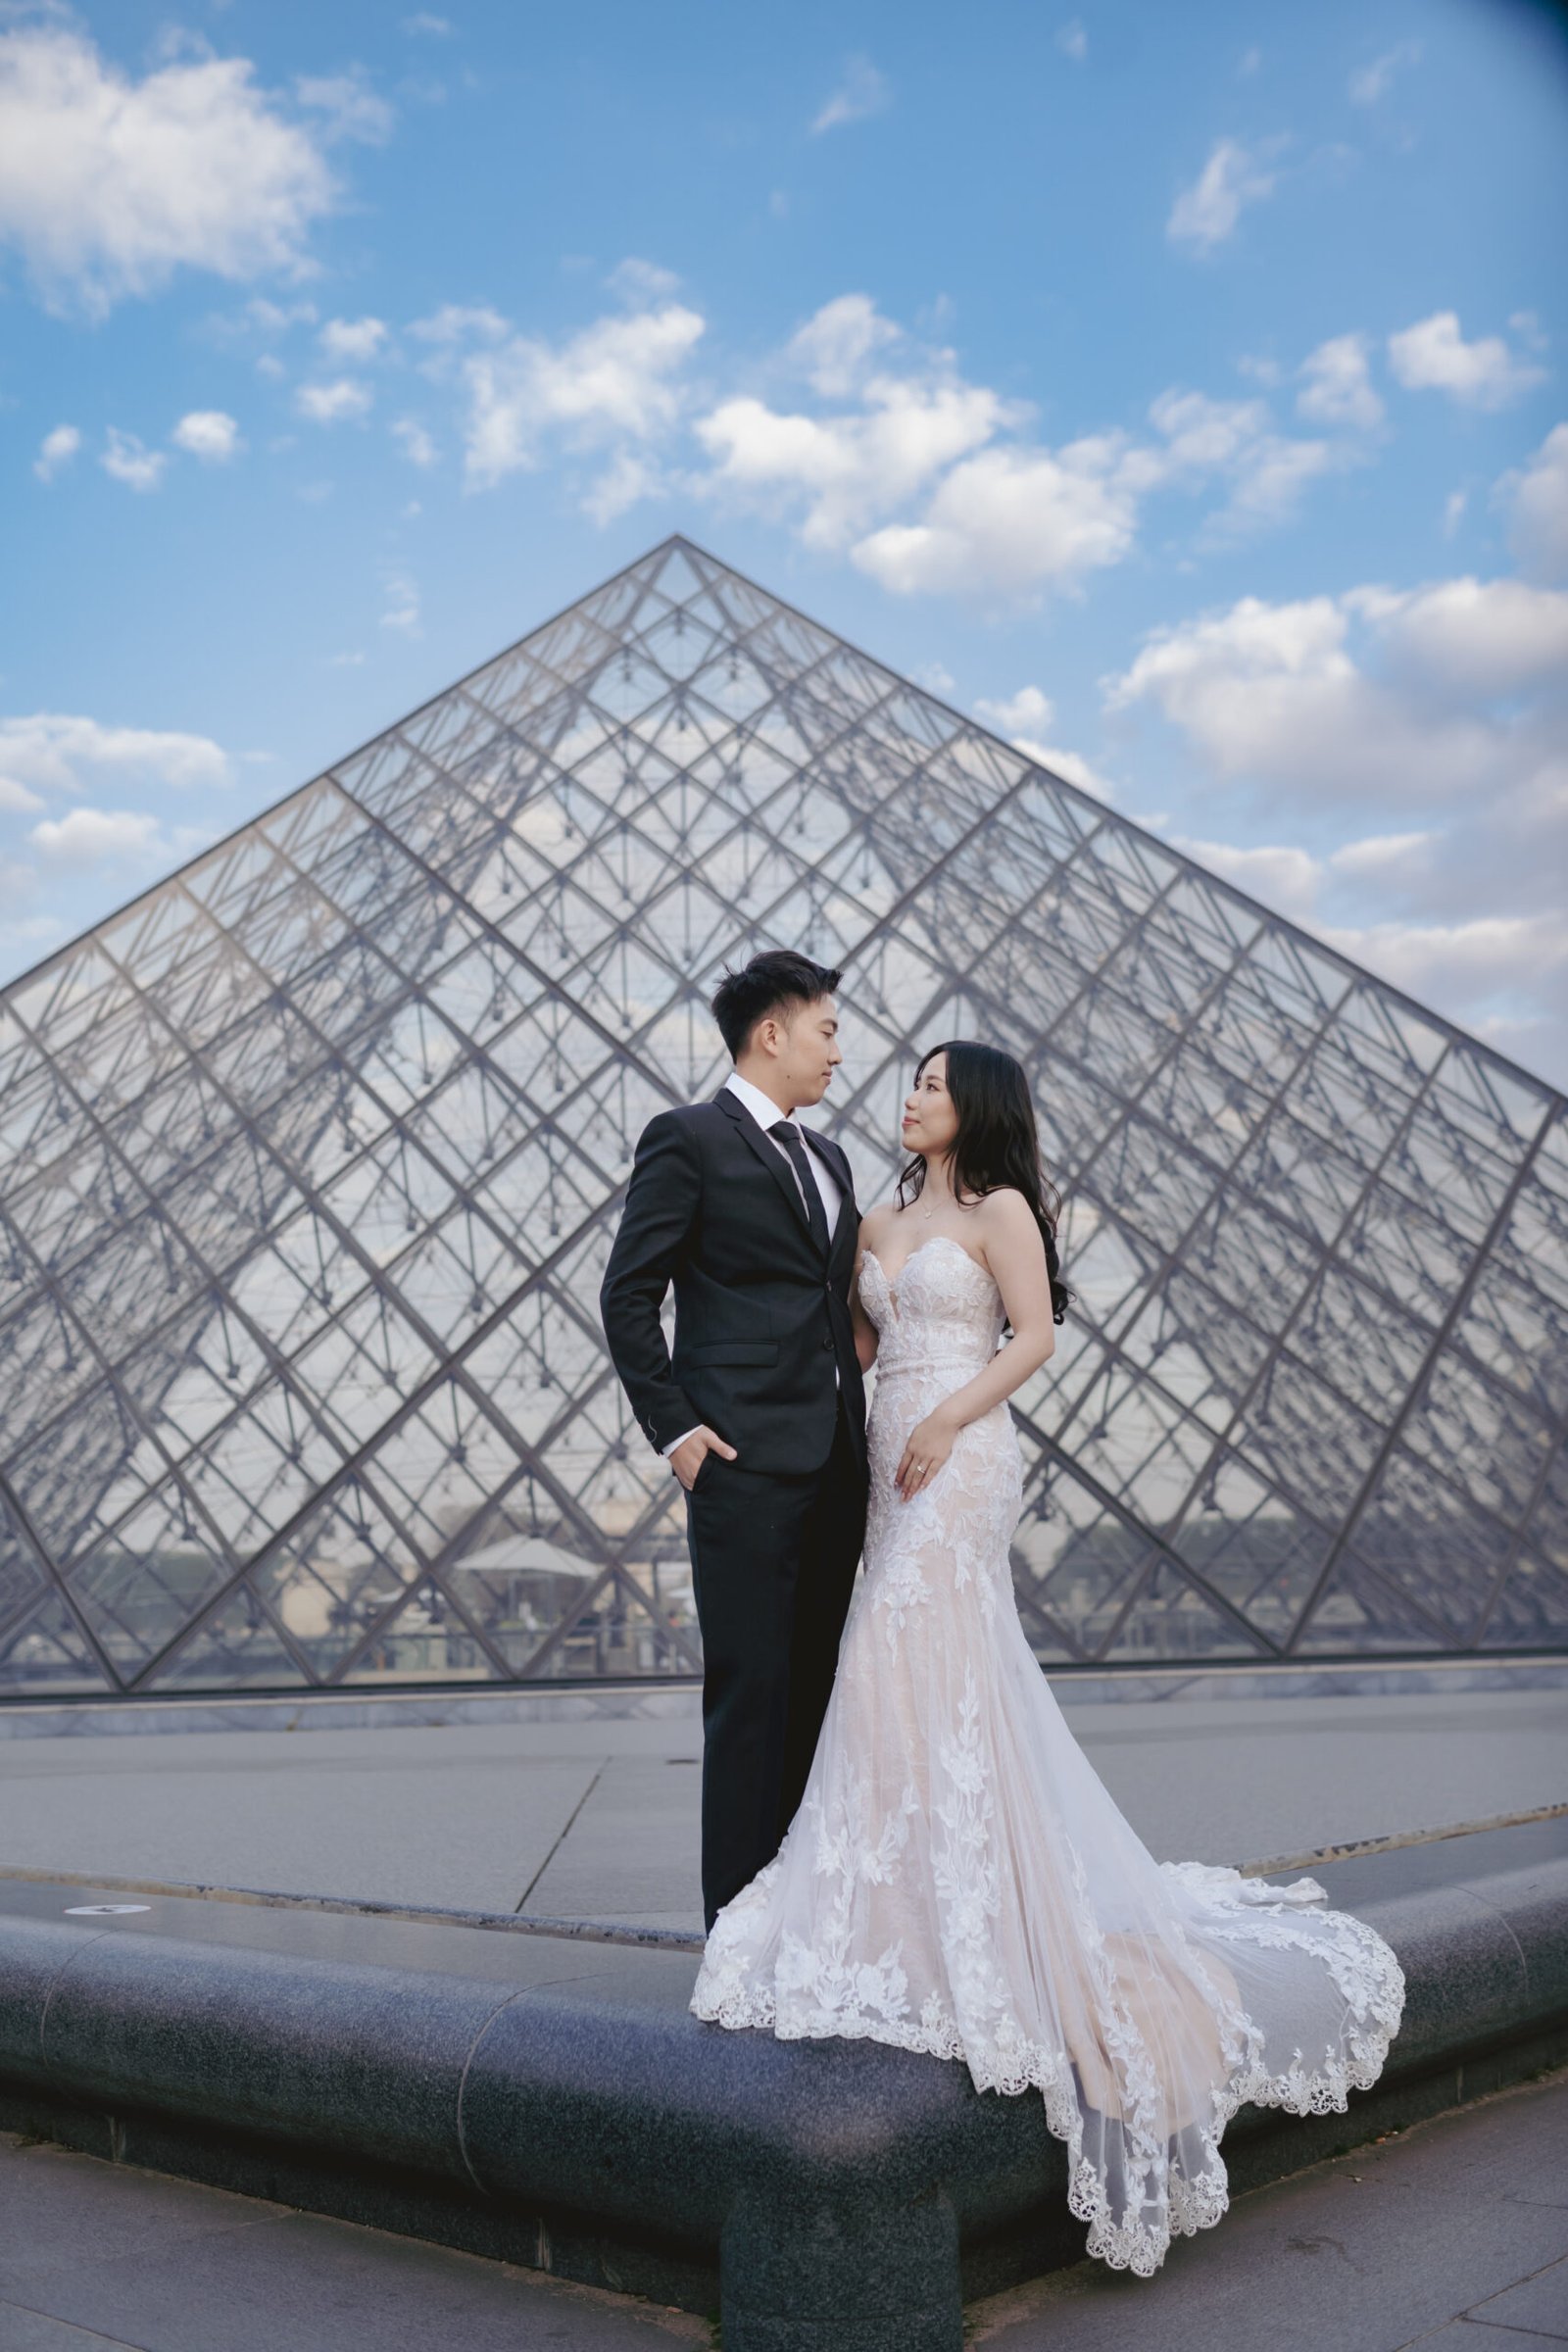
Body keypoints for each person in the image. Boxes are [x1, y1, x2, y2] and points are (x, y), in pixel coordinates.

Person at [689, 1038, 1405, 2277]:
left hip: (961, 1455)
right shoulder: (877, 1220)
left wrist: (947, 1418)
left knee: (909, 1649)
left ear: (974, 1106)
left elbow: (1031, 1338)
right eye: (910, 1081)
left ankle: (956, 1897)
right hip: (888, 1459)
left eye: (930, 1083)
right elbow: (841, 1346)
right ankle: (907, 1889)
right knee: (891, 1675)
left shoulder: (1002, 1209)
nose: (908, 1095)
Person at [599, 950, 868, 1935]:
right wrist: (675, 1429)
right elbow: (628, 1294)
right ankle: (741, 1937)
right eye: (826, 1030)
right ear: (772, 1032)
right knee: (752, 1695)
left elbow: (836, 1307)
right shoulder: (688, 1139)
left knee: (818, 1696)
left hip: (837, 1458)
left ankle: (805, 1923)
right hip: (742, 1461)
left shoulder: (830, 1159)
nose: (837, 1051)